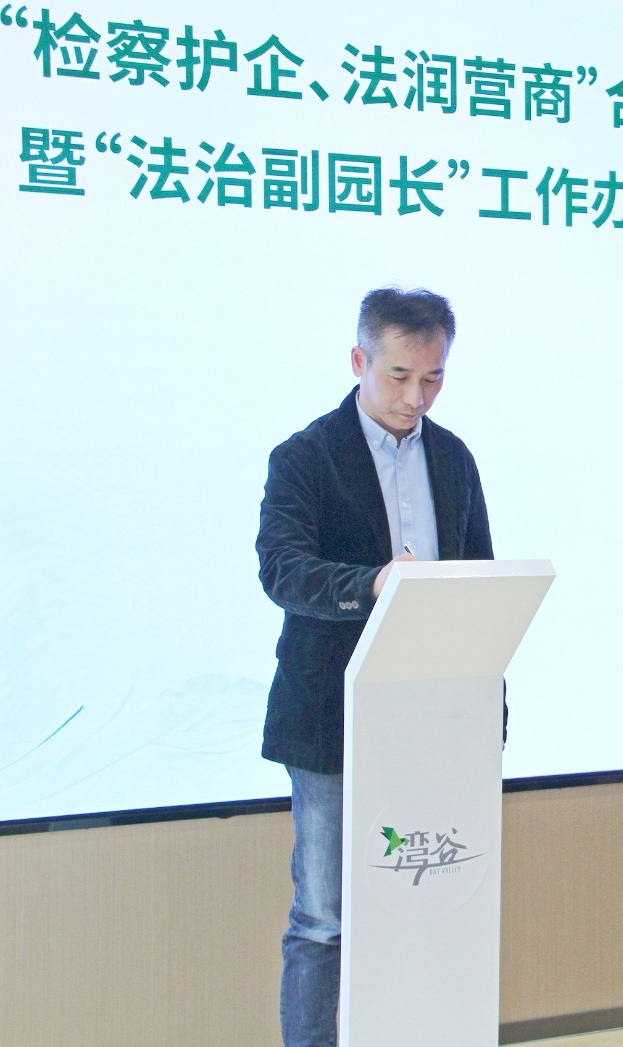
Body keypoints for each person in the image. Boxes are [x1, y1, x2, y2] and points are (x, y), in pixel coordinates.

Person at [256, 287, 494, 1047]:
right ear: (359, 360)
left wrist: (489, 714)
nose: (415, 397)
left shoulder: (453, 458)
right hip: (330, 718)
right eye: (398, 376)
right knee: (323, 919)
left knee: (425, 905)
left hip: (433, 724)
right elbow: (282, 571)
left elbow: (479, 585)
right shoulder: (304, 457)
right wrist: (372, 583)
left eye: (433, 378)